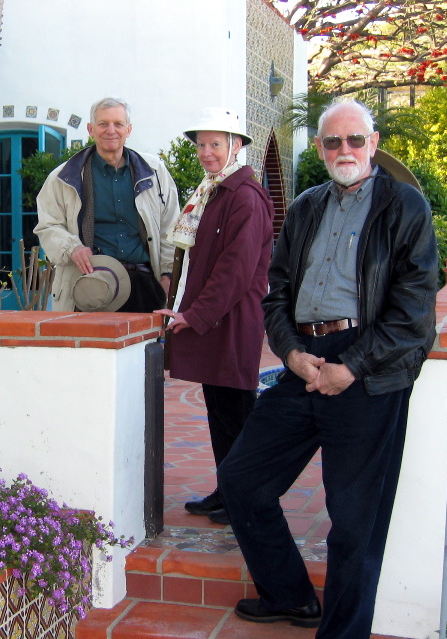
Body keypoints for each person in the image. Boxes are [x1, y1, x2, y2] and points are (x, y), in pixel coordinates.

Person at [216, 99, 438, 637]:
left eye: (355, 140)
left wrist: (352, 367)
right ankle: (289, 594)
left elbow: (414, 314)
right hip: (304, 361)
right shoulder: (307, 206)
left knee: (355, 518)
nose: (345, 151)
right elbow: (277, 292)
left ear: (374, 143)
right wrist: (290, 353)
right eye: (333, 142)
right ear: (318, 148)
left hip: (369, 368)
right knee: (242, 480)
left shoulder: (404, 207)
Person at [153, 107, 274, 525]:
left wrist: (196, 314)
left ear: (236, 146)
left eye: (215, 144)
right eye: (202, 144)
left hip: (232, 323)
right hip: (215, 321)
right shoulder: (214, 191)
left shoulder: (244, 196)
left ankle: (244, 498)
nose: (206, 152)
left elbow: (235, 270)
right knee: (220, 412)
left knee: (237, 415)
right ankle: (228, 491)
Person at [34, 97, 179, 312]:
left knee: (147, 347)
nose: (111, 130)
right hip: (88, 286)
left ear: (128, 130)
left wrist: (168, 274)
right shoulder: (63, 177)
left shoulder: (155, 172)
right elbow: (47, 226)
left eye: (118, 124)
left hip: (144, 287)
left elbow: (171, 226)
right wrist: (72, 247)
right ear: (91, 129)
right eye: (103, 124)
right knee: (90, 346)